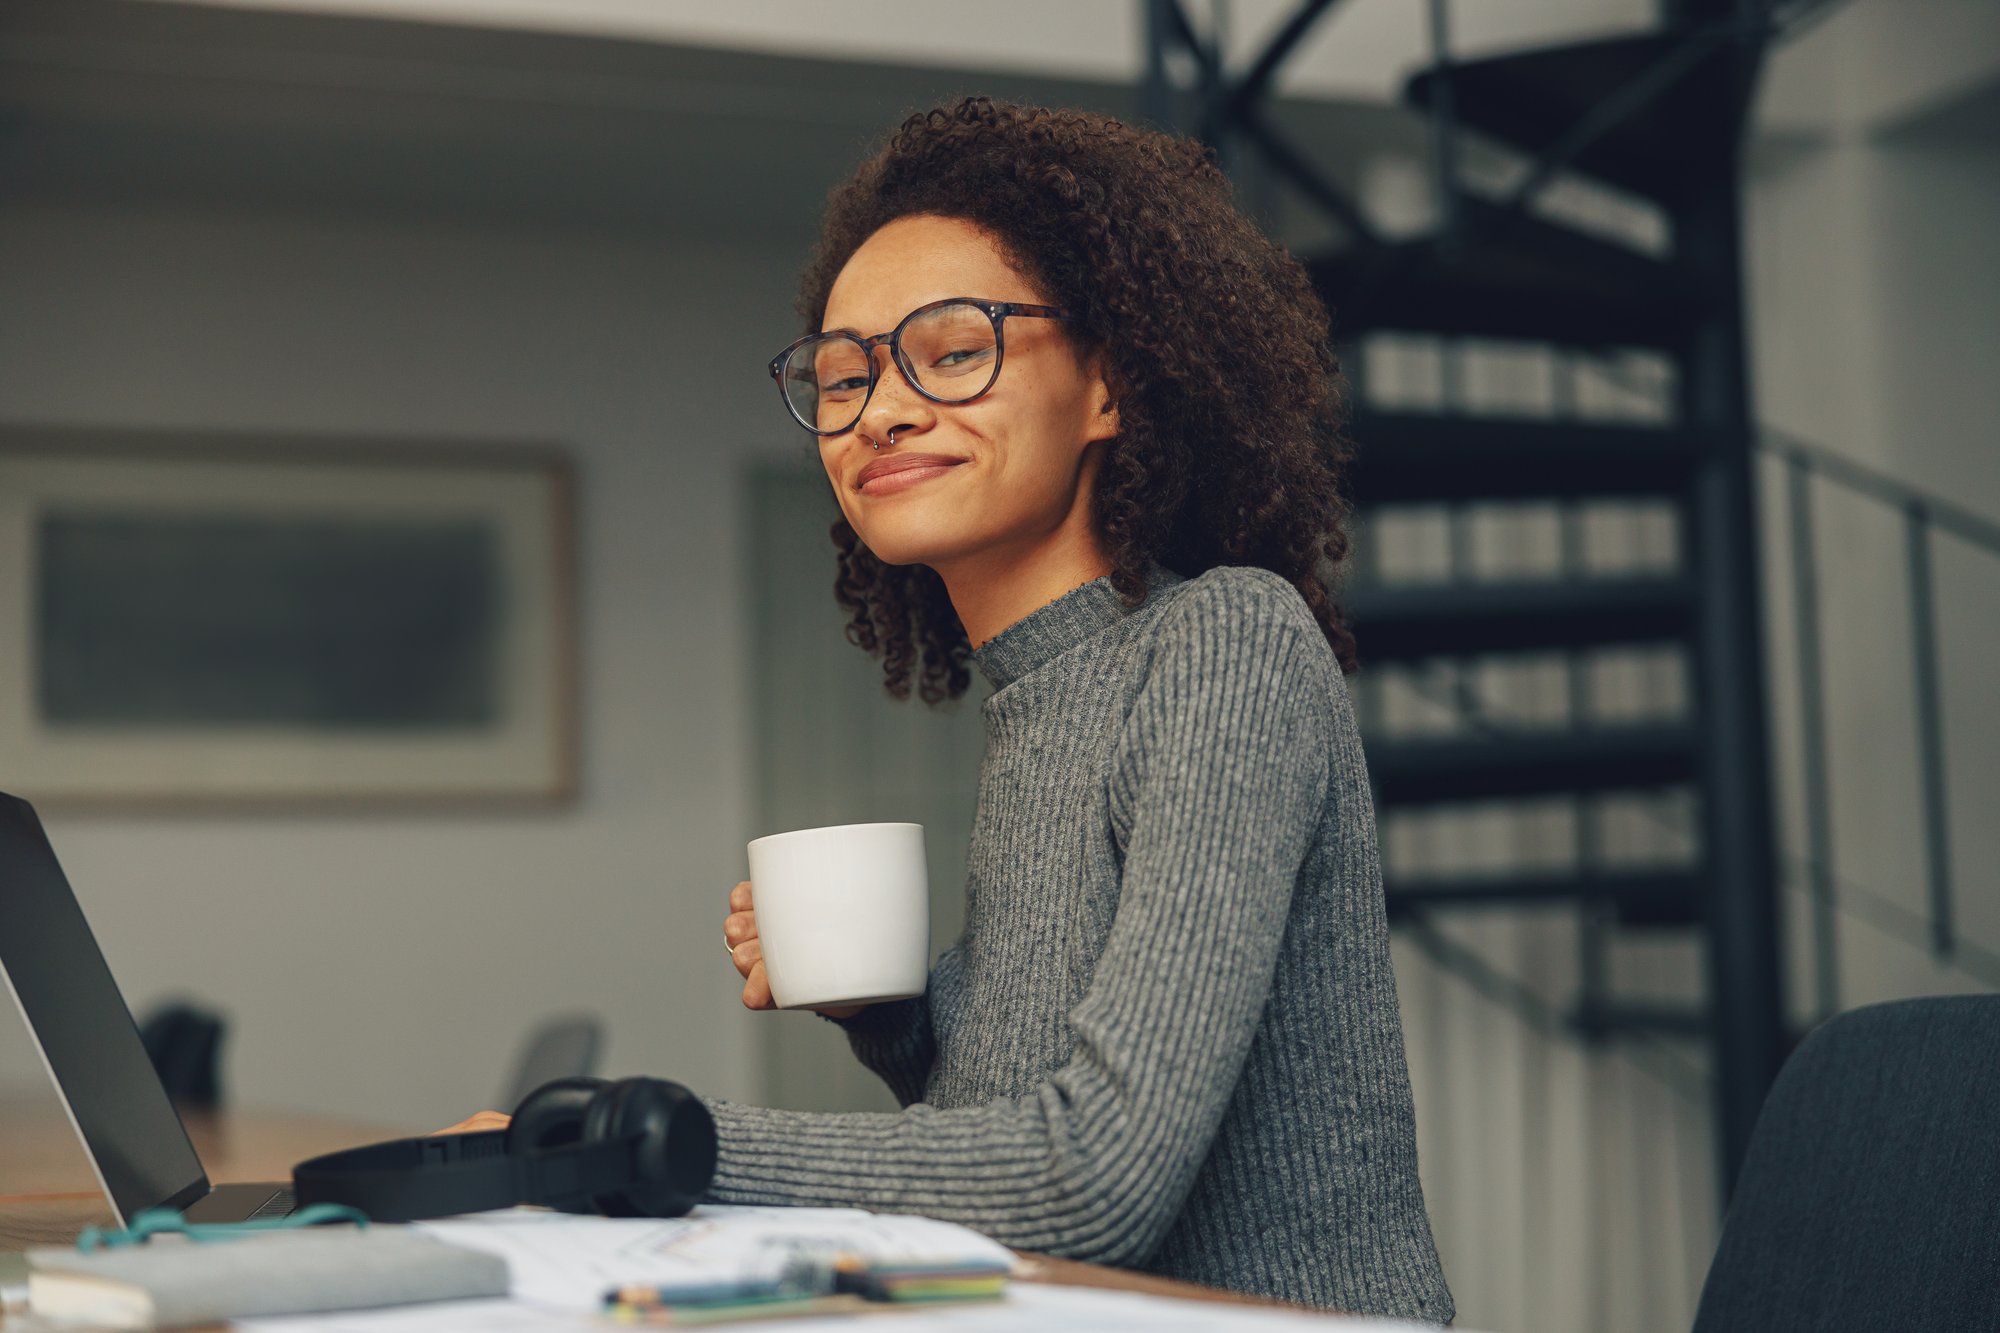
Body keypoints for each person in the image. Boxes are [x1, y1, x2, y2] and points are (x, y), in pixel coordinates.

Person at [451, 97, 1452, 1322]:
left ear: (1110, 386)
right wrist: (889, 1020)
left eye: (951, 347)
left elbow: (1090, 1182)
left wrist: (635, 1140)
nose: (879, 407)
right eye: (842, 372)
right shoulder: (1035, 704)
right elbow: (1004, 1138)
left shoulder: (1223, 644)